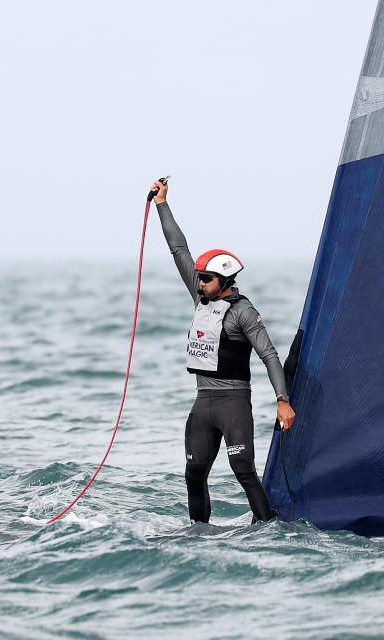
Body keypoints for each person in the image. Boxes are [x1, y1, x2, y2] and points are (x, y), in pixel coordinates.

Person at [151, 178, 295, 524]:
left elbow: (270, 356)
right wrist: (162, 203)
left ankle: (268, 530)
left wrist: (282, 399)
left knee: (243, 471)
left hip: (233, 402)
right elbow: (178, 250)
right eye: (198, 277)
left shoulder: (243, 312)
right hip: (203, 403)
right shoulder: (202, 296)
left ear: (225, 281)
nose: (199, 283)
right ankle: (198, 534)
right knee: (193, 475)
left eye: (206, 279)